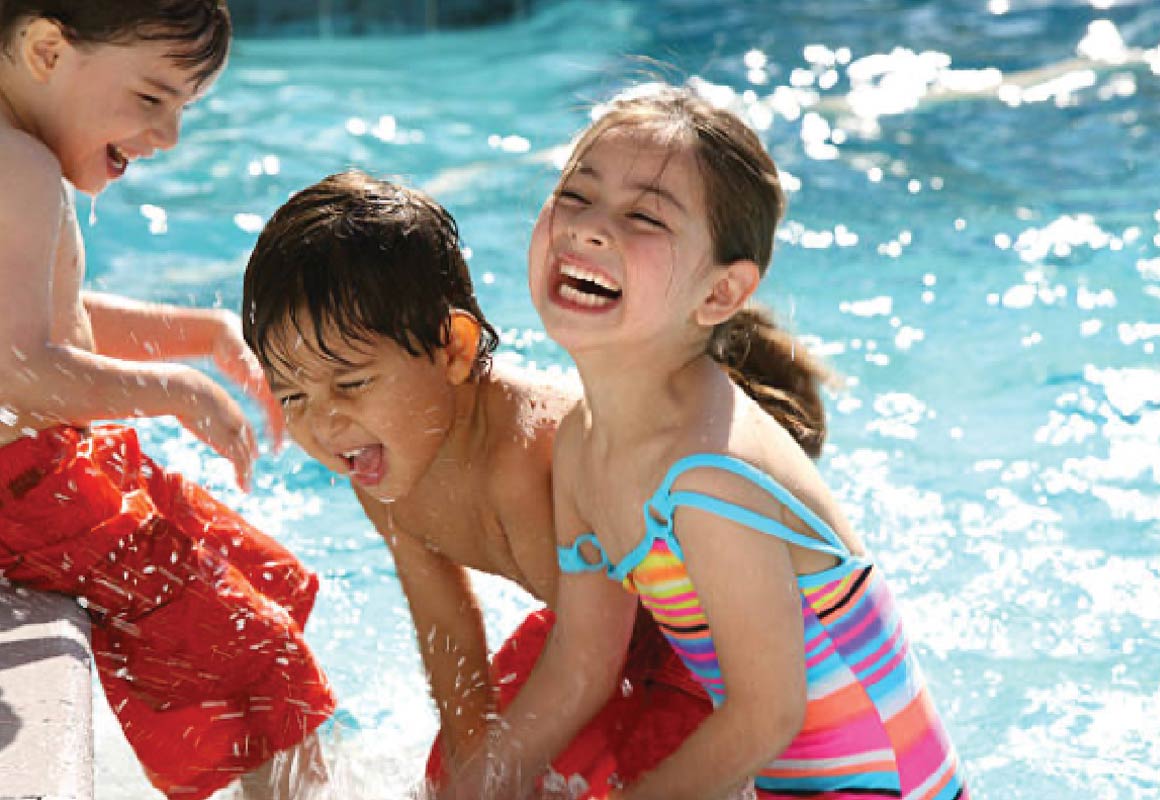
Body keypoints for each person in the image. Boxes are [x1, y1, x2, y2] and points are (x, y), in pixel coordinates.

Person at [437, 83, 970, 800]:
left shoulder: (709, 476)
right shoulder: (583, 445)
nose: (589, 229)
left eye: (644, 217)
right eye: (576, 195)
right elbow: (581, 668)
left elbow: (765, 715)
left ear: (720, 294)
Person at [240, 170, 713, 798]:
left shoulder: (531, 458)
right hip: (595, 640)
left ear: (453, 348)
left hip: (705, 656)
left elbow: (592, 668)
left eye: (350, 384)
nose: (323, 423)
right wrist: (468, 767)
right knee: (448, 778)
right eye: (292, 394)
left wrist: (489, 785)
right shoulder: (379, 467)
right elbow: (448, 639)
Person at [0, 3, 334, 799]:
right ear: (47, 50)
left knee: (269, 578)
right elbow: (14, 367)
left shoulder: (18, 158)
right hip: (29, 494)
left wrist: (203, 335)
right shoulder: (19, 168)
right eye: (152, 99)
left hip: (45, 477)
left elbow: (52, 320)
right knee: (268, 659)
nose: (169, 136)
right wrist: (173, 392)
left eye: (181, 108)